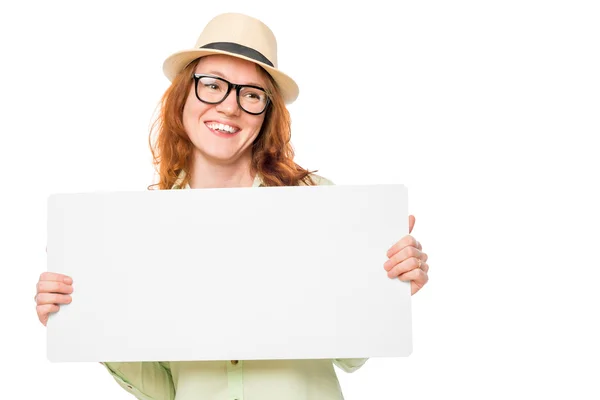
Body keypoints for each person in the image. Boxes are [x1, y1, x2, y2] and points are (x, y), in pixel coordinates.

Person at [35, 12, 430, 400]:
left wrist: (387, 287)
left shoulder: (318, 202)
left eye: (251, 94)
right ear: (183, 96)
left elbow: (349, 356)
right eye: (212, 85)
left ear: (266, 113)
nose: (229, 106)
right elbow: (168, 390)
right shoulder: (144, 227)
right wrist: (84, 317)